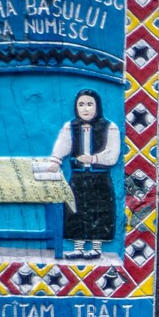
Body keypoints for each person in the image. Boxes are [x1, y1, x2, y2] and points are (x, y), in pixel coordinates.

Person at [50, 89, 121, 260]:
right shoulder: (71, 127)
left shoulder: (109, 127)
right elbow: (62, 145)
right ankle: (78, 247)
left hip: (100, 177)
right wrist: (55, 159)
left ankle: (96, 247)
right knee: (76, 210)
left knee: (100, 210)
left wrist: (94, 158)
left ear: (97, 106)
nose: (85, 109)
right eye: (81, 104)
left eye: (90, 104)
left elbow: (113, 153)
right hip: (78, 177)